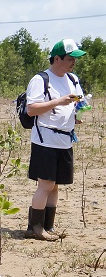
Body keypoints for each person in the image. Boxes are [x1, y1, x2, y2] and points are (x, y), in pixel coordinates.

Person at [24, 39, 86, 241]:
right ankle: (35, 229)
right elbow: (32, 109)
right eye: (70, 58)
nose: (73, 63)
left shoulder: (73, 79)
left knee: (55, 184)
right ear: (57, 58)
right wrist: (60, 101)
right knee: (45, 184)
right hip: (45, 140)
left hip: (65, 140)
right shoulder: (41, 80)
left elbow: (77, 103)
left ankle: (47, 227)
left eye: (75, 59)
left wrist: (76, 113)